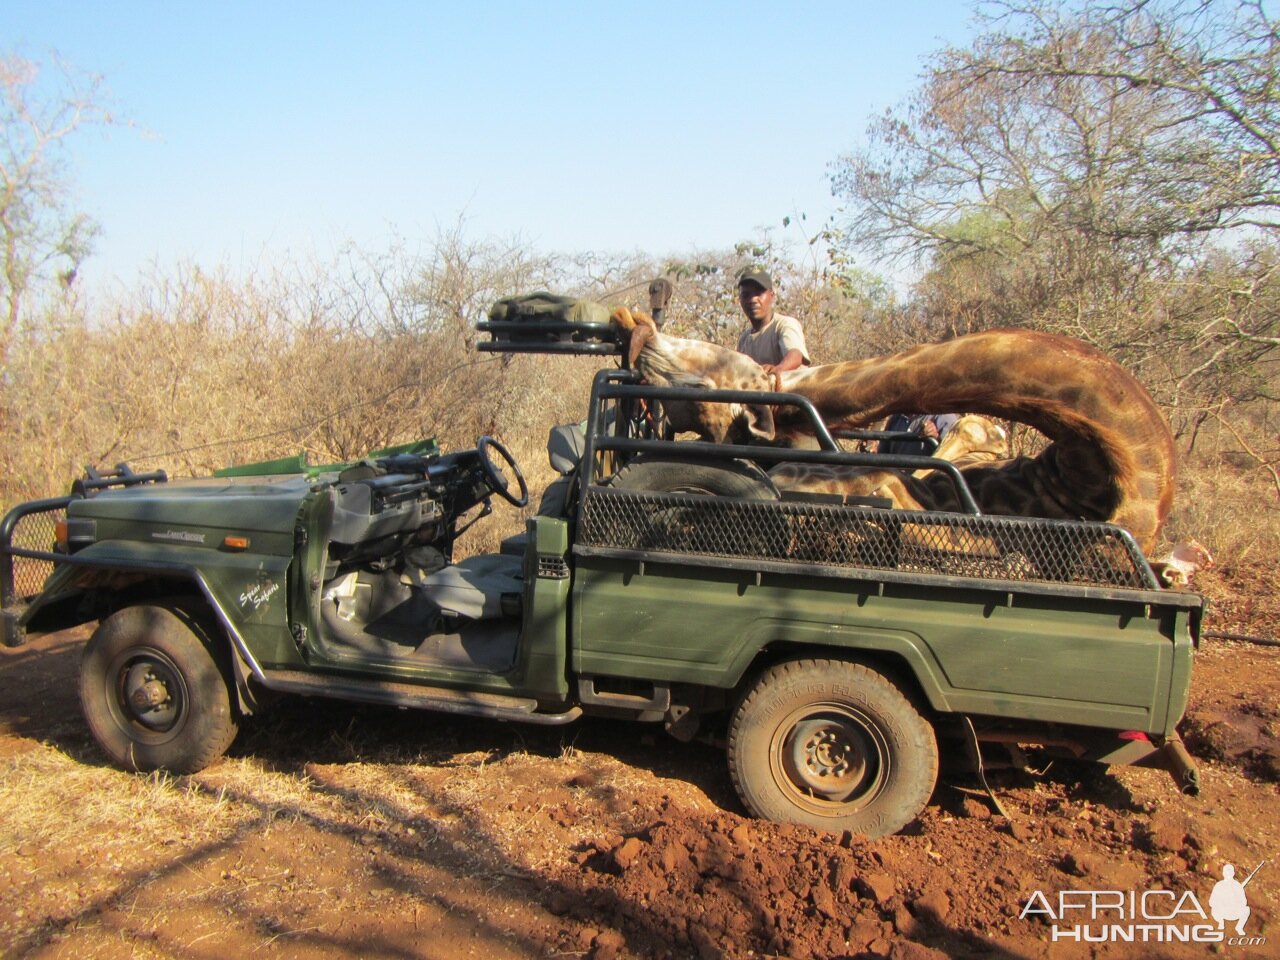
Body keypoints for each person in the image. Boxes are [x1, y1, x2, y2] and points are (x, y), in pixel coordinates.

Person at [735, 268, 810, 374]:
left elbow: (796, 354)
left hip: (792, 388)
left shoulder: (783, 324)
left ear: (771, 296)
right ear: (740, 300)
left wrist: (777, 370)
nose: (752, 300)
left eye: (759, 293)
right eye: (746, 295)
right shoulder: (744, 339)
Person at [878, 413, 960, 456]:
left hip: (926, 483)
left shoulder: (944, 418)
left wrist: (936, 438)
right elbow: (882, 456)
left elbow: (952, 457)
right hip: (893, 480)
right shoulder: (896, 418)